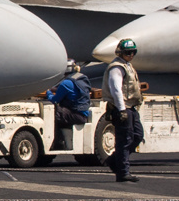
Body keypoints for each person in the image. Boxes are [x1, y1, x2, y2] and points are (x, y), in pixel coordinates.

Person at [103, 39, 144, 183]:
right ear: (120, 52)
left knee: (138, 136)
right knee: (125, 140)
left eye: (133, 52)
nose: (131, 55)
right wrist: (122, 110)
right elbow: (116, 90)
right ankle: (122, 172)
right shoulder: (117, 67)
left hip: (131, 108)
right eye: (128, 52)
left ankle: (114, 160)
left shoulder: (128, 66)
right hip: (122, 108)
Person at [45, 60, 93, 150]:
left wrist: (48, 92)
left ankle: (57, 142)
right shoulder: (81, 78)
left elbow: (54, 100)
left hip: (76, 114)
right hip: (83, 113)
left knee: (55, 112)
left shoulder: (65, 83)